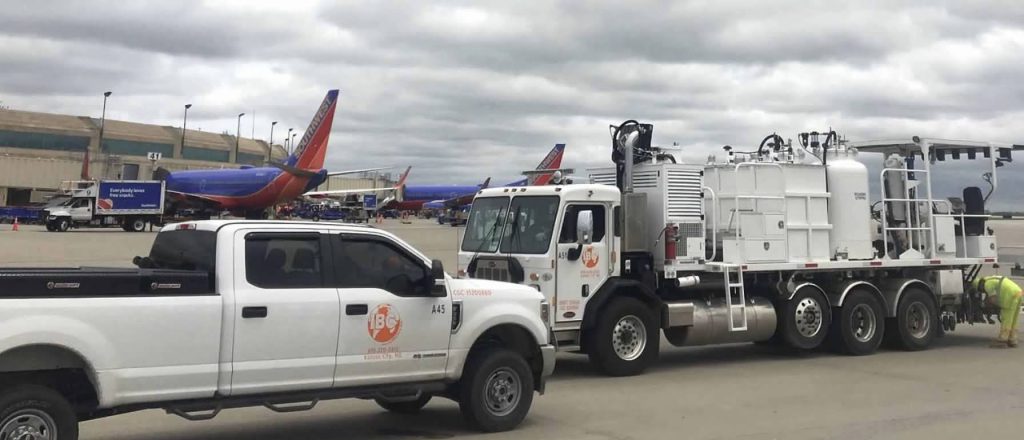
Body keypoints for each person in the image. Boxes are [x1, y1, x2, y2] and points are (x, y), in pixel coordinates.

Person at [976, 275, 1023, 348]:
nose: (983, 291)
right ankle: (1012, 339)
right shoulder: (992, 279)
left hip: (1009, 297)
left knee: (1006, 318)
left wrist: (989, 306)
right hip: (1019, 293)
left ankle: (1003, 339)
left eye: (981, 290)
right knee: (1014, 319)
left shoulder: (987, 285)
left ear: (980, 285)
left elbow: (993, 299)